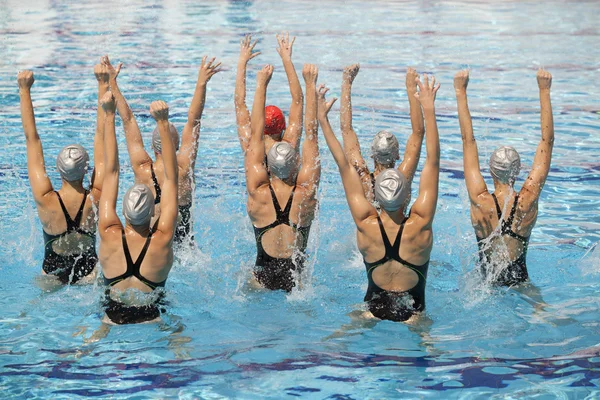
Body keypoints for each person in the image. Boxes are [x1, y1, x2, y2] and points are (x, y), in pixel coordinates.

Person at [320, 74, 441, 322]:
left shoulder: (364, 213)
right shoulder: (407, 184)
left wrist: (326, 113)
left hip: (371, 296)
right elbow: (425, 147)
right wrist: (420, 99)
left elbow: (344, 154)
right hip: (414, 304)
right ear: (406, 193)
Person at [101, 54, 220, 246]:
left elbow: (128, 120)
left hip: (151, 247)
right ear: (178, 144)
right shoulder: (183, 169)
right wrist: (201, 83)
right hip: (183, 250)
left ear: (151, 146)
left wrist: (112, 83)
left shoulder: (142, 169)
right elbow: (194, 120)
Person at [454, 69, 554, 286]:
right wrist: (544, 90)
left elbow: (467, 141)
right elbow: (547, 142)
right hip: (522, 284)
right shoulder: (527, 200)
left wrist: (460, 91)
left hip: (486, 287)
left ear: (490, 171)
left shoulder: (481, 201)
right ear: (517, 172)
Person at [18, 65, 108, 285]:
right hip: (90, 274)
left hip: (51, 276)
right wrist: (103, 83)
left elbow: (32, 140)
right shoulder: (96, 196)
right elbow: (101, 137)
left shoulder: (45, 198)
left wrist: (24, 90)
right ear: (87, 169)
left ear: (58, 169)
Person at [98, 93, 178, 325]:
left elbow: (111, 171)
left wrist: (109, 115)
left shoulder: (108, 231)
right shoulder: (162, 239)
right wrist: (163, 122)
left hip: (109, 318)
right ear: (154, 213)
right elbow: (171, 180)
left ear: (122, 212)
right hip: (154, 318)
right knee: (177, 334)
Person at [244, 63, 320, 292]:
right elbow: (312, 135)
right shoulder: (305, 194)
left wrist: (261, 85)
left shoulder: (257, 191)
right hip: (297, 284)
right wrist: (310, 84)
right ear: (296, 162)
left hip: (260, 280)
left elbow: (256, 133)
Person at [340, 64, 425, 208]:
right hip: (401, 230)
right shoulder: (403, 178)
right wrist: (411, 88)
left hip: (370, 229)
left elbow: (346, 130)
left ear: (372, 155)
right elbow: (418, 132)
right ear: (397, 156)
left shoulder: (364, 179)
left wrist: (346, 83)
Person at [235, 33, 303, 154]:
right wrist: (287, 59)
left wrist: (242, 62)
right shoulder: (290, 146)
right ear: (283, 127)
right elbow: (298, 101)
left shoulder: (249, 146)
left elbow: (239, 103)